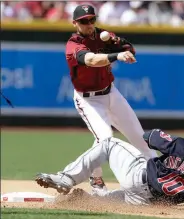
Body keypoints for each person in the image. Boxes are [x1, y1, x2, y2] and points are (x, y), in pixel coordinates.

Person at [35, 129, 184, 210]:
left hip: (137, 176)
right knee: (108, 201)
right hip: (147, 202)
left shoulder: (181, 146)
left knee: (107, 143)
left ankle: (66, 180)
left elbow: (149, 136)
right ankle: (88, 197)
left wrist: (165, 143)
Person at [64, 4, 157, 190]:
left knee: (141, 138)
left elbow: (130, 49)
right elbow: (91, 60)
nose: (89, 24)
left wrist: (120, 44)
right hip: (88, 100)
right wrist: (116, 55)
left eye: (92, 20)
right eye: (84, 21)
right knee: (105, 139)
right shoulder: (73, 45)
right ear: (75, 23)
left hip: (111, 93)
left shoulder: (103, 35)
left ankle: (160, 179)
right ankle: (95, 179)